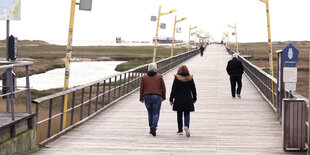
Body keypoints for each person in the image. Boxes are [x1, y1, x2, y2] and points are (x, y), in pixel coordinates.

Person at [169, 65, 197, 137]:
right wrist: (194, 98)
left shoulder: (177, 78)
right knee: (187, 113)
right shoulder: (190, 78)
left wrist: (171, 99)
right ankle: (186, 126)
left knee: (179, 114)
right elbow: (193, 89)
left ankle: (180, 130)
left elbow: (174, 89)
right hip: (188, 98)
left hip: (178, 99)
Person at [140, 63, 166, 137]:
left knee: (150, 112)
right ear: (155, 68)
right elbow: (163, 87)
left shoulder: (144, 77)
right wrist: (163, 96)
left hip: (147, 96)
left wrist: (141, 97)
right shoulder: (159, 76)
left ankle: (151, 127)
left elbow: (141, 88)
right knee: (156, 113)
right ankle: (154, 126)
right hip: (157, 96)